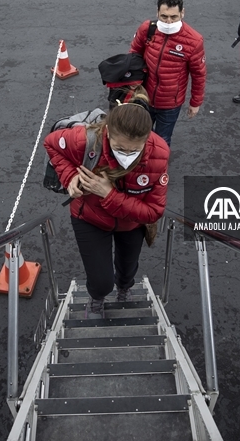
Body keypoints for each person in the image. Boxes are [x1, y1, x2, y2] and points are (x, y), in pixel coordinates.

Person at [43, 88, 169, 318]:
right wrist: (69, 176)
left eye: (135, 150)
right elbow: (51, 144)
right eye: (120, 148)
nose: (127, 155)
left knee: (127, 270)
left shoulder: (159, 153)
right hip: (89, 217)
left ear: (148, 138)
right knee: (101, 282)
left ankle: (124, 289)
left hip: (131, 223)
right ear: (108, 132)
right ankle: (97, 298)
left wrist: (108, 195)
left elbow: (154, 211)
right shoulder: (84, 139)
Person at [129, 0, 206, 146]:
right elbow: (133, 55)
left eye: (174, 17)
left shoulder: (194, 40)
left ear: (182, 13)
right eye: (164, 17)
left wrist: (195, 102)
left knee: (161, 141)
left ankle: (158, 169)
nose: (169, 21)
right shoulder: (147, 29)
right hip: (144, 97)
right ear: (157, 12)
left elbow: (199, 75)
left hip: (170, 104)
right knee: (139, 136)